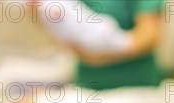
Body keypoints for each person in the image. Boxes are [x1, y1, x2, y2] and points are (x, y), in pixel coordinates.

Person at [34, 0, 166, 90]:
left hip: (137, 88)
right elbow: (64, 25)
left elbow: (149, 35)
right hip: (89, 88)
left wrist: (102, 55)